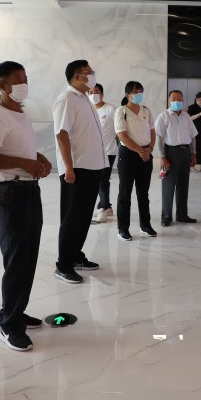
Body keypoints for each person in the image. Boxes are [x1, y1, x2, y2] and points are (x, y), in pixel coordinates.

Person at [0, 61, 52, 352]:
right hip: (10, 193)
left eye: (25, 79)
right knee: (17, 257)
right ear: (3, 86)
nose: (24, 84)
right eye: (18, 80)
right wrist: (24, 163)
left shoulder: (19, 114)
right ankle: (9, 324)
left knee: (28, 255)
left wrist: (38, 159)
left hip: (28, 189)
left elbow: (19, 149)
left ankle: (15, 310)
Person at [53, 60, 108, 283]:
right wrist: (68, 167)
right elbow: (61, 134)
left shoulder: (84, 98)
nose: (92, 75)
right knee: (72, 218)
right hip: (77, 168)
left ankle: (75, 255)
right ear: (77, 76)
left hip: (92, 166)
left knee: (84, 217)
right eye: (88, 72)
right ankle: (63, 265)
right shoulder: (66, 98)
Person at [115, 81, 158, 241]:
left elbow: (152, 132)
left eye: (140, 90)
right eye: (135, 91)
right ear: (128, 95)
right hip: (129, 154)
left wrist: (150, 149)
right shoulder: (121, 111)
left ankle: (145, 225)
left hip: (146, 153)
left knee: (143, 192)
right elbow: (122, 135)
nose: (139, 93)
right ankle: (123, 229)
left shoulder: (146, 110)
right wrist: (141, 151)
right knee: (125, 192)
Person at [155, 90, 198, 226]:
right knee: (168, 186)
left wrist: (193, 153)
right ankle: (166, 217)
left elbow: (192, 136)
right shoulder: (163, 116)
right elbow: (159, 138)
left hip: (186, 152)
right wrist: (162, 157)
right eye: (174, 99)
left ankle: (182, 215)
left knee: (183, 185)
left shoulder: (186, 116)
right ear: (169, 101)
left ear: (183, 101)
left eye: (179, 99)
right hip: (170, 153)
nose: (177, 102)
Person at [89, 83, 117, 223]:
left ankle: (103, 208)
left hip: (108, 151)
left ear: (102, 94)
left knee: (102, 180)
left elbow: (120, 129)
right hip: (93, 152)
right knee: (97, 180)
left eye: (96, 91)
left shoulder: (111, 109)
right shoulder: (88, 109)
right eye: (90, 92)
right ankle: (106, 206)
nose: (93, 94)